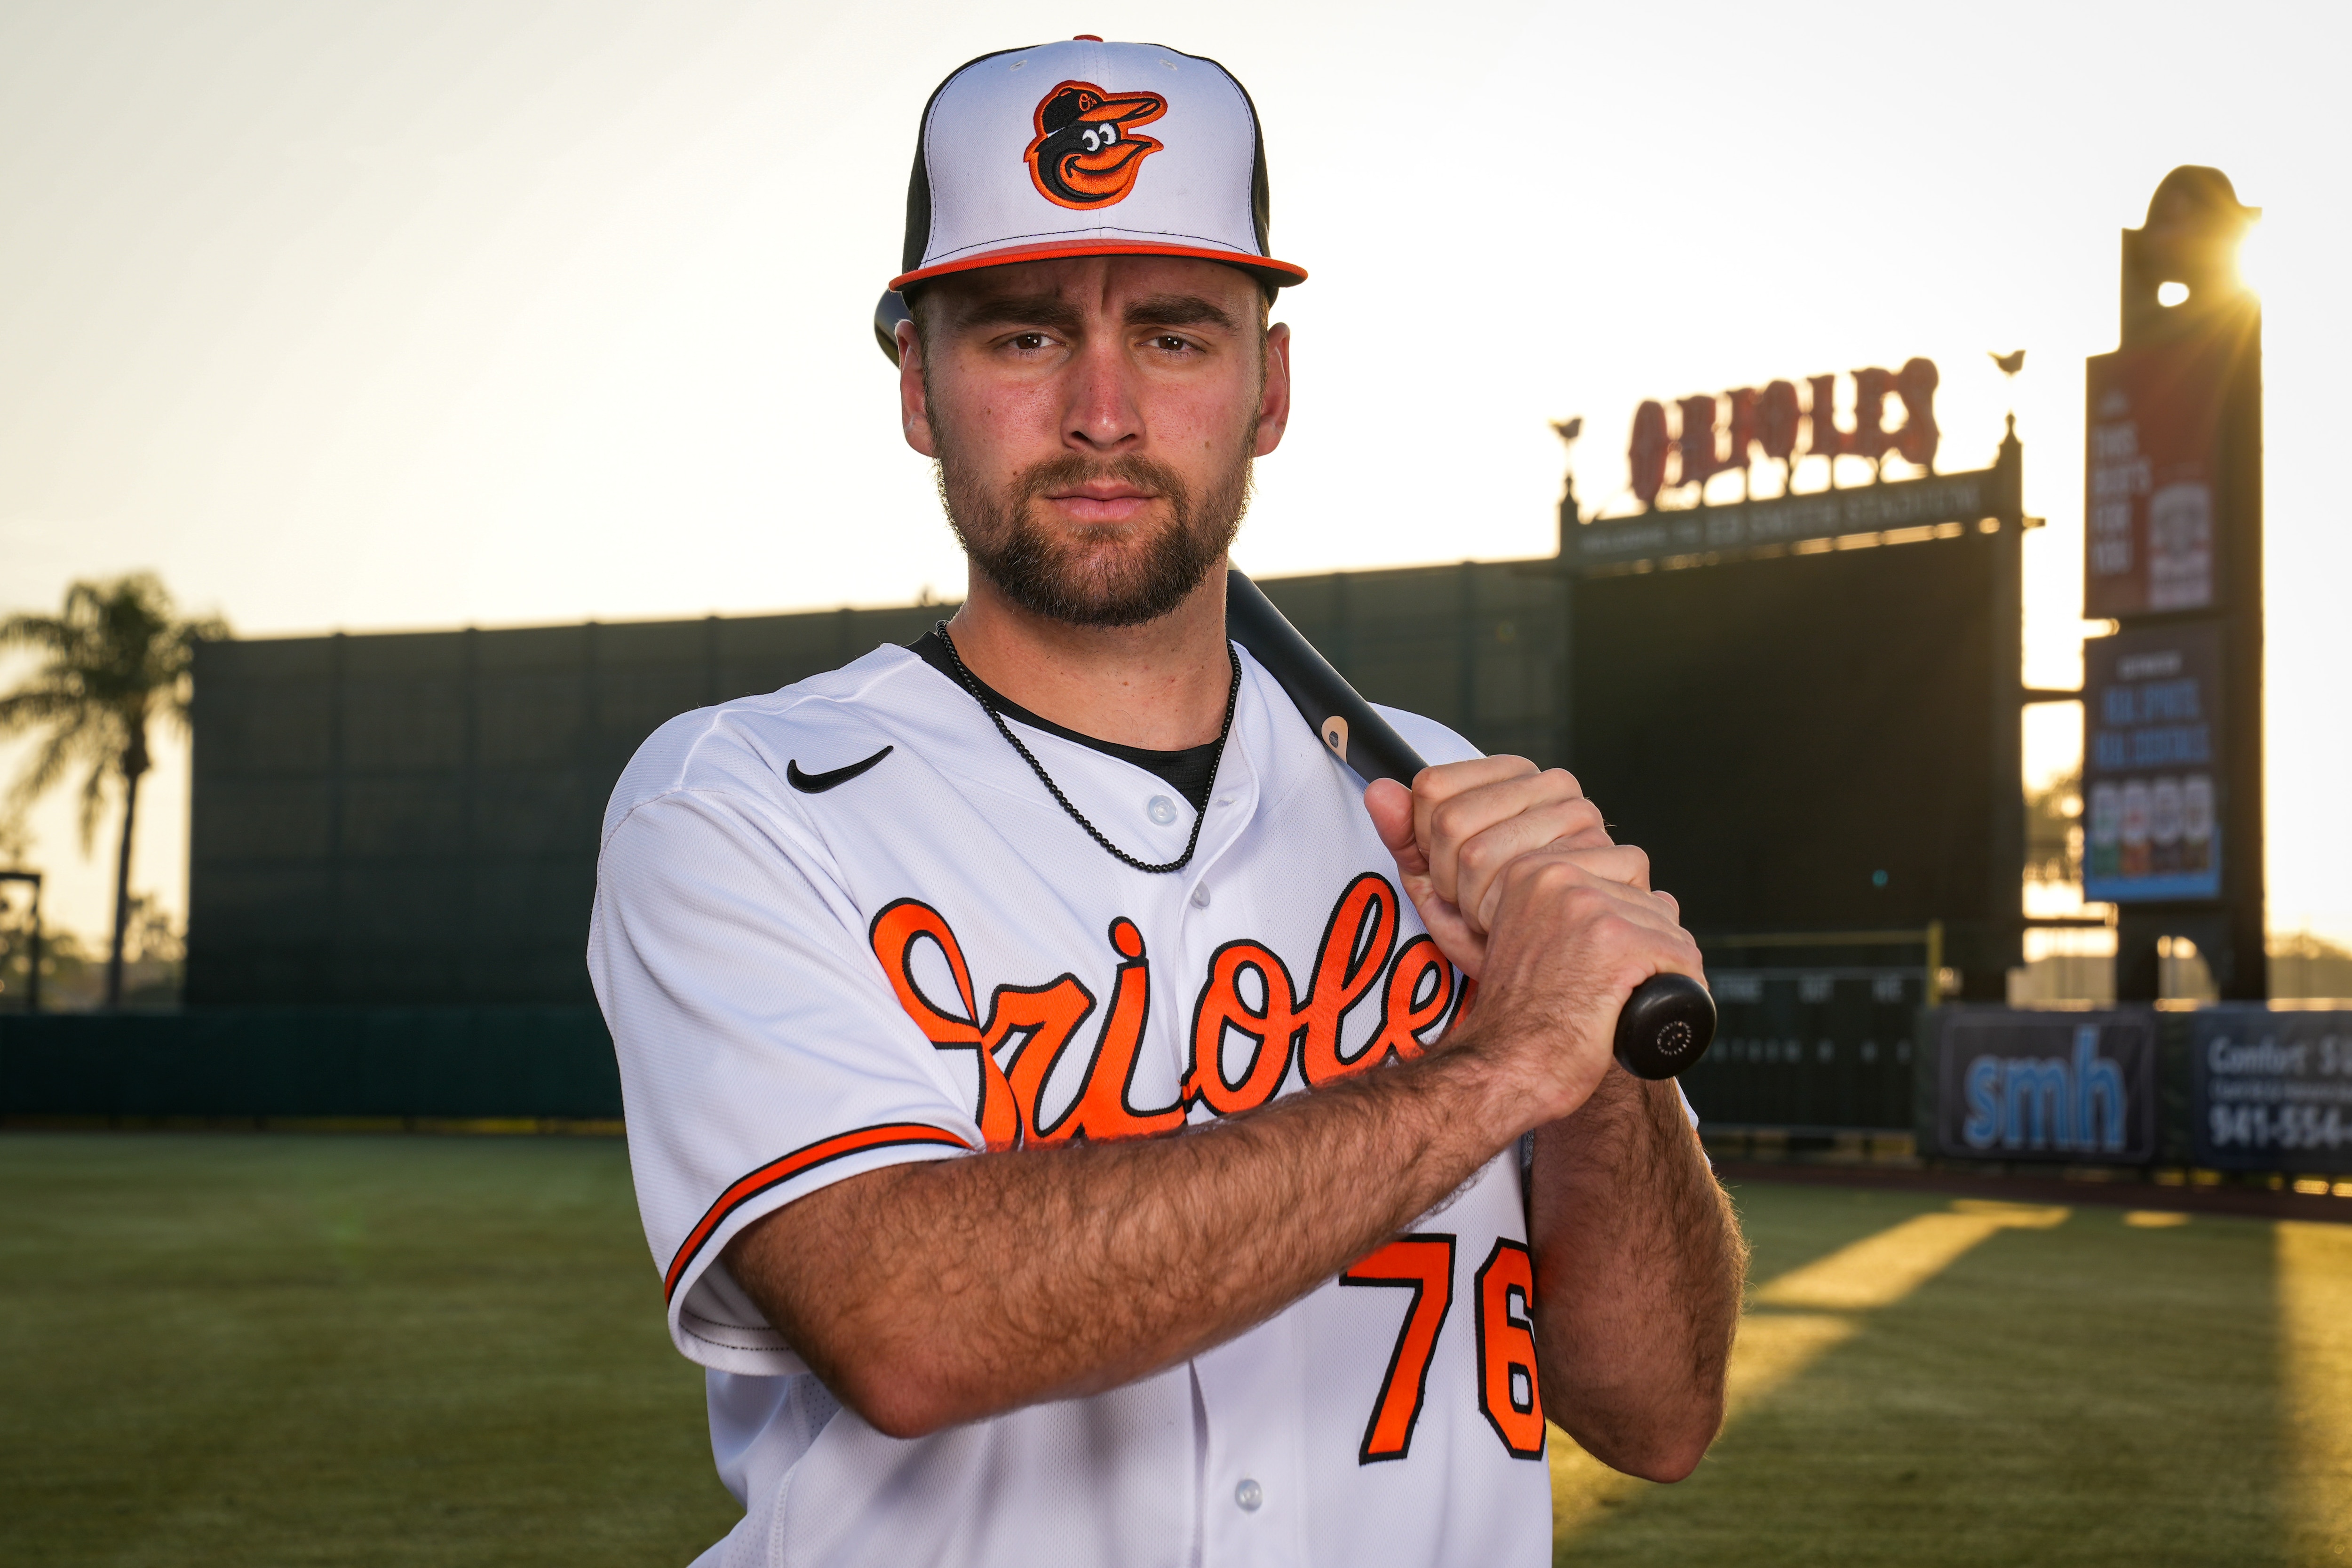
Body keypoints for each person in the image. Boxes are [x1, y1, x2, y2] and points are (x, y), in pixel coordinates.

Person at [589, 36, 1744, 1568]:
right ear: (919, 389)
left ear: (1270, 388)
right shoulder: (744, 802)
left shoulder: (1433, 800)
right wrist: (1512, 1061)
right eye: (1020, 337)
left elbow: (1658, 1416)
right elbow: (908, 1326)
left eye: (1179, 336)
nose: (1104, 412)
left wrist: (1609, 1073)